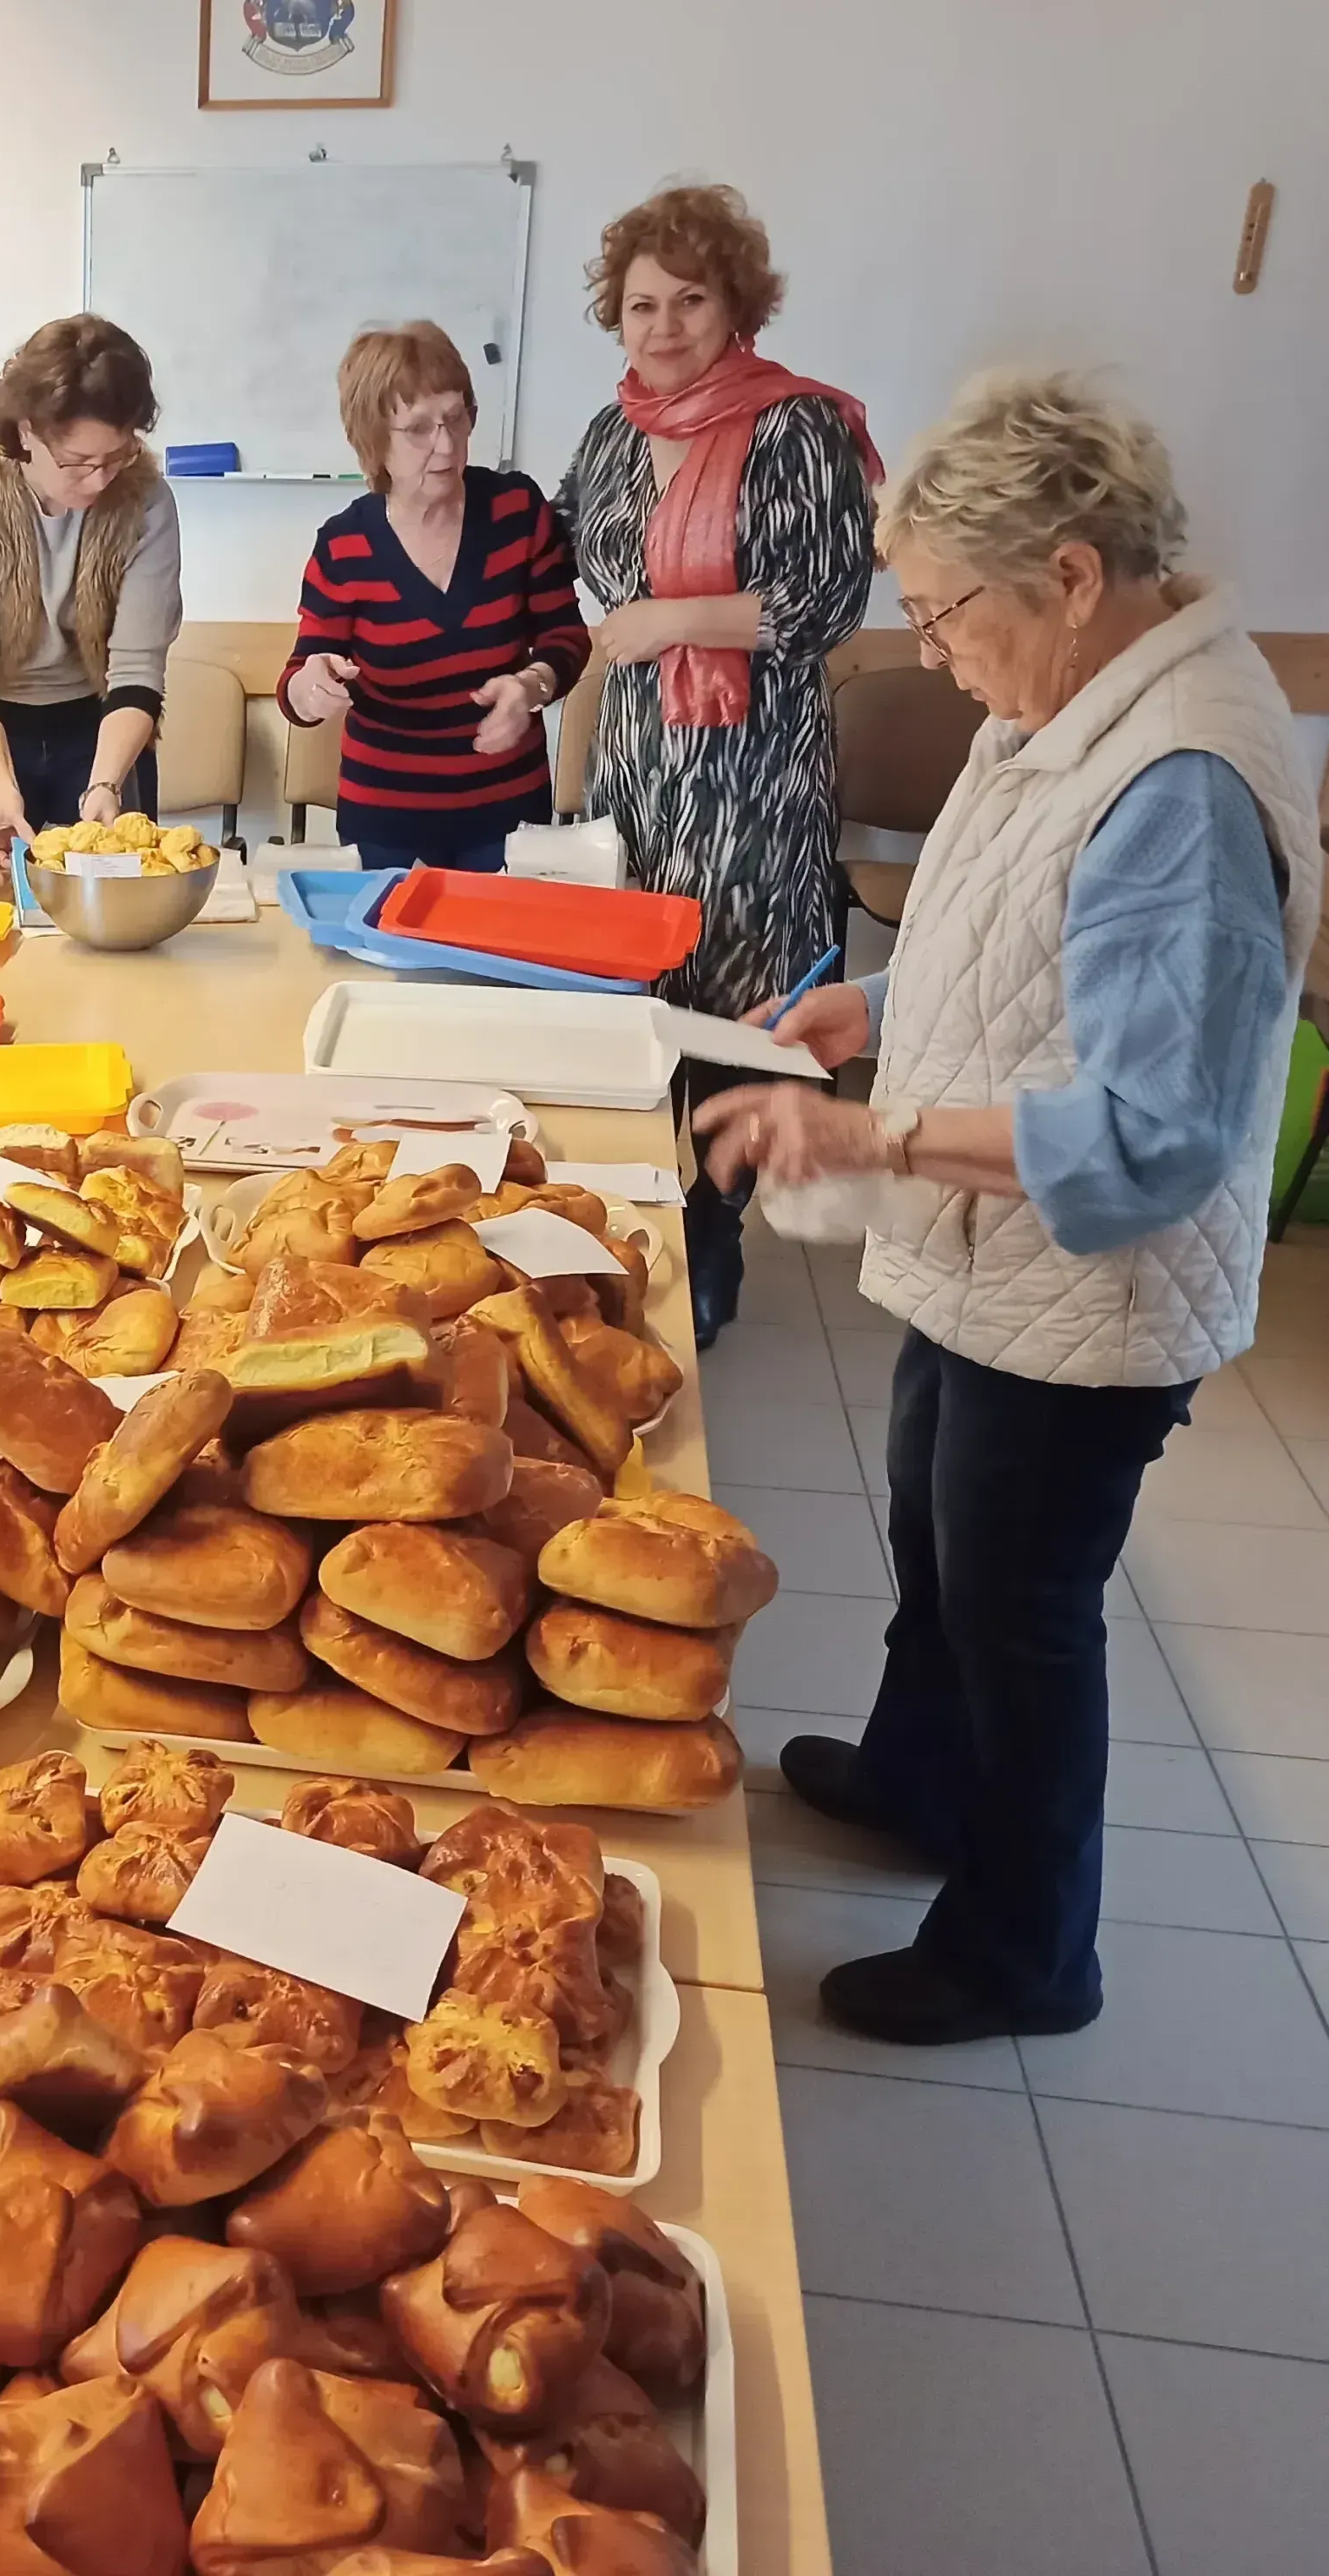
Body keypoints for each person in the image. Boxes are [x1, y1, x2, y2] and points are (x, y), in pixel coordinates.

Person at [697, 372, 1321, 2046]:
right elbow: (1016, 937)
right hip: (997, 1261)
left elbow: (1153, 1134)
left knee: (1020, 1606)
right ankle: (922, 1777)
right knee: (932, 1521)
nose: (930, 647)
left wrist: (875, 1133)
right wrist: (875, 1003)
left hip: (1095, 1285)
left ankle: (1025, 1952)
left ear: (1070, 573)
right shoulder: (1067, 699)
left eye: (943, 610)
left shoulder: (1178, 784)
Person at [555, 184, 878, 1345]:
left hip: (756, 766)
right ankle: (638, 1210)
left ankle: (718, 1224)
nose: (664, 325)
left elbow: (831, 598)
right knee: (634, 978)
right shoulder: (609, 436)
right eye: (642, 304)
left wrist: (674, 621)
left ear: (736, 306)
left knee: (743, 990)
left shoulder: (800, 427)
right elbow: (553, 555)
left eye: (690, 300)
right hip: (639, 762)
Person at [277, 321, 591, 873]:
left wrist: (531, 685)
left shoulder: (518, 511)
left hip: (509, 816)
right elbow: (300, 677)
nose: (446, 445)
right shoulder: (344, 545)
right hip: (386, 826)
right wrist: (310, 687)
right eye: (419, 429)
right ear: (374, 439)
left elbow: (565, 636)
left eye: (456, 418)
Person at [0, 314, 183, 871]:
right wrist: (2, 788)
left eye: (116, 457)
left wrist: (106, 785)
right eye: (77, 463)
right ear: (26, 433)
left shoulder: (146, 500)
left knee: (115, 884)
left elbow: (137, 671)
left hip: (101, 720)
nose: (99, 480)